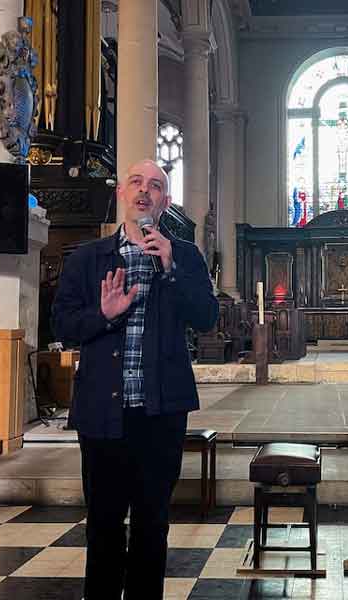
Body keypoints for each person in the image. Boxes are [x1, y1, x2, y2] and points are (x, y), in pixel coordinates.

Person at [51, 159, 218, 599]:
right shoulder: (87, 259)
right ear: (122, 193)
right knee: (103, 526)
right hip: (103, 416)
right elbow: (63, 325)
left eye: (157, 186)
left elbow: (206, 317)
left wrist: (173, 268)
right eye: (136, 183)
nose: (145, 191)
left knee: (152, 526)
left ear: (165, 202)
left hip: (160, 414)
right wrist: (102, 315)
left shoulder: (185, 254)